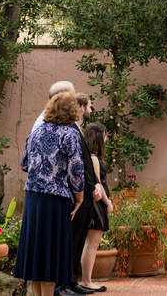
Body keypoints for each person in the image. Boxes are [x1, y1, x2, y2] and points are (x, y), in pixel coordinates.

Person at [14, 92, 87, 296]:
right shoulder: (69, 135)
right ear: (71, 111)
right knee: (50, 255)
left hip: (34, 199)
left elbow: (25, 164)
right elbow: (76, 170)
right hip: (56, 200)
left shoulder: (35, 132)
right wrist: (79, 198)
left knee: (37, 252)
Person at [62, 94, 103, 295]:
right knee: (72, 240)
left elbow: (85, 164)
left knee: (78, 241)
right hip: (78, 195)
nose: (91, 110)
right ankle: (64, 284)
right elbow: (77, 166)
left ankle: (72, 281)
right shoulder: (70, 130)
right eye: (90, 106)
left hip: (86, 195)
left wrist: (95, 184)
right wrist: (91, 186)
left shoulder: (77, 131)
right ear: (81, 107)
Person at [78, 122, 113, 293]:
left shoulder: (92, 157)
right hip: (97, 203)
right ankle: (87, 280)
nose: (106, 139)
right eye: (105, 135)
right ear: (99, 137)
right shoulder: (93, 158)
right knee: (92, 243)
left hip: (98, 202)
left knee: (93, 242)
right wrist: (108, 203)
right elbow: (98, 184)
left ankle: (87, 280)